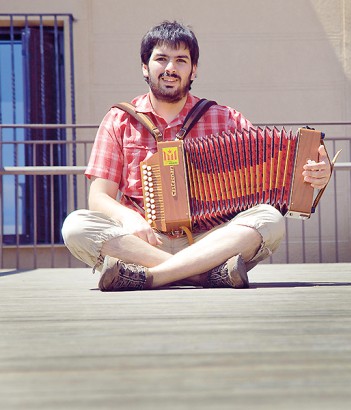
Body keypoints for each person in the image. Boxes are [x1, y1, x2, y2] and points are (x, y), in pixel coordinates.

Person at [61, 21, 332, 292]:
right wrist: (129, 219)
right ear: (145, 67)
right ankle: (203, 276)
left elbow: (274, 171)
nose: (170, 68)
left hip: (210, 239)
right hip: (143, 239)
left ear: (194, 70)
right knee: (75, 226)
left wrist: (317, 174)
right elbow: (99, 197)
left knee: (269, 219)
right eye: (161, 59)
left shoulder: (225, 119)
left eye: (181, 60)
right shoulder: (118, 120)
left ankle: (151, 276)